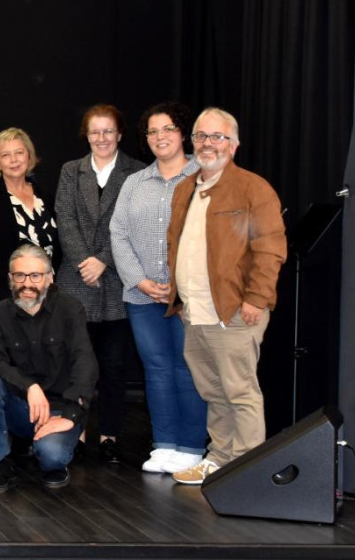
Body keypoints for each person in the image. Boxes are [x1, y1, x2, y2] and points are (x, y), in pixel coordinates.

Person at [165, 108, 286, 486]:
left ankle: (247, 471)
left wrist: (256, 298)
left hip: (235, 310)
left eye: (216, 137)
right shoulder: (186, 186)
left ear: (233, 145)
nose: (207, 143)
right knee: (213, 391)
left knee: (240, 391)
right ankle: (220, 461)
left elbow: (270, 249)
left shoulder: (254, 188)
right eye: (201, 136)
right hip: (195, 310)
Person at [109, 103, 207, 475]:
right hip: (142, 296)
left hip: (190, 297)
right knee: (157, 369)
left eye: (167, 129)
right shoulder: (135, 182)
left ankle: (192, 446)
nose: (160, 137)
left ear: (182, 133)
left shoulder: (203, 176)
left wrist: (179, 285)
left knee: (189, 368)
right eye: (152, 131)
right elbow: (118, 233)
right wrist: (139, 280)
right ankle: (164, 444)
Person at [54, 104, 143, 463]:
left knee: (114, 366)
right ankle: (74, 436)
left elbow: (131, 224)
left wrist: (103, 259)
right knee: (76, 367)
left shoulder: (136, 172)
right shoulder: (70, 171)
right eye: (95, 132)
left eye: (108, 131)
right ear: (86, 135)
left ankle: (109, 436)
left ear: (119, 134)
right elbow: (66, 218)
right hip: (76, 281)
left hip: (118, 280)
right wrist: (83, 261)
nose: (102, 138)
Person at [0, 244, 98, 493]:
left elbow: (85, 365)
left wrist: (70, 416)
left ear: (50, 278)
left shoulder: (70, 309)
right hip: (22, 406)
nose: (26, 283)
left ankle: (53, 456)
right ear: (10, 279)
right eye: (19, 275)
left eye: (35, 276)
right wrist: (29, 386)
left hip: (60, 409)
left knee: (51, 456)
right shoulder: (1, 313)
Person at [0, 128, 59, 321]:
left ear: (29, 156)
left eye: (19, 153)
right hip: (2, 297)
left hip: (44, 297)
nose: (14, 160)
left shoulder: (45, 195)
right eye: (5, 155)